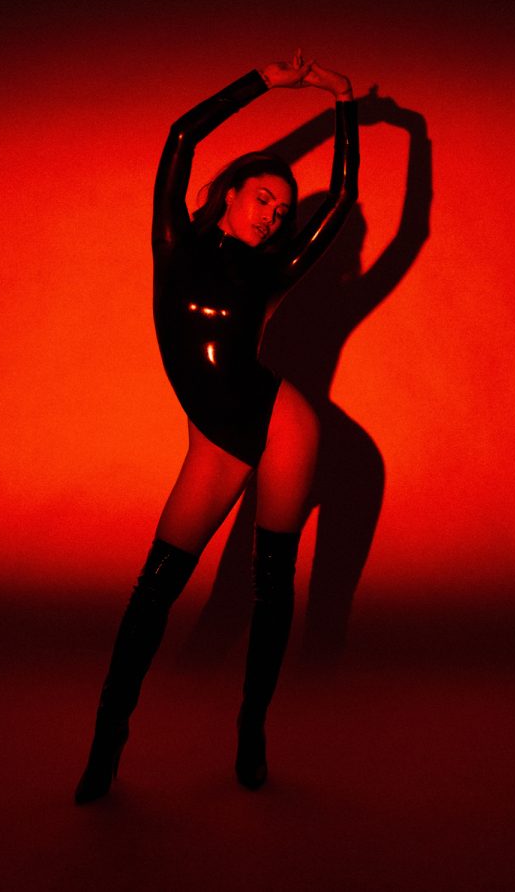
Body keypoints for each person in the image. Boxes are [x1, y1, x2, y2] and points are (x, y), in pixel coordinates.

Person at [75, 49, 359, 804]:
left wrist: (346, 105)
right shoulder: (174, 243)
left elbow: (341, 200)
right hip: (213, 437)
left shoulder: (274, 271)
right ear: (228, 194)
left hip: (281, 422)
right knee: (154, 591)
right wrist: (266, 83)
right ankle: (106, 745)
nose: (273, 214)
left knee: (272, 584)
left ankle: (250, 734)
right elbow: (179, 136)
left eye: (282, 209)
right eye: (262, 197)